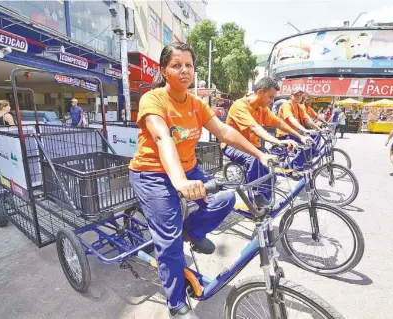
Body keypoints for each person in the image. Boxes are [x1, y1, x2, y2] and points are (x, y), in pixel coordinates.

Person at [128, 43, 275, 319]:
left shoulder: (196, 103)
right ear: (164, 70)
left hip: (187, 169)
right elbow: (162, 138)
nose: (184, 70)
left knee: (226, 197)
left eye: (189, 65)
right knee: (169, 240)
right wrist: (181, 183)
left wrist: (260, 154)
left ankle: (193, 232)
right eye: (176, 65)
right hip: (151, 174)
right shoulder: (153, 99)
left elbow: (224, 131)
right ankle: (176, 305)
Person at [223, 78, 313, 204]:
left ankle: (267, 201)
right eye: (270, 97)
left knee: (271, 173)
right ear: (260, 93)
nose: (272, 101)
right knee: (255, 159)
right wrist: (277, 141)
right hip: (233, 145)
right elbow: (254, 127)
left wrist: (300, 136)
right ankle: (257, 198)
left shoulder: (262, 108)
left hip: (252, 145)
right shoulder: (240, 106)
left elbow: (278, 122)